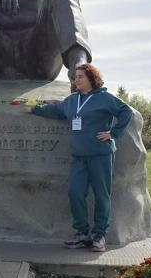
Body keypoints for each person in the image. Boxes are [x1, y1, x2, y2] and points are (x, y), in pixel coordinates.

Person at [29, 63, 132, 252]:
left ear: (92, 79)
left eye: (80, 77)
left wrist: (113, 133)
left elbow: (126, 111)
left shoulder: (105, 98)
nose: (76, 80)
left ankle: (99, 235)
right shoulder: (72, 100)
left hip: (100, 155)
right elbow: (55, 111)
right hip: (79, 157)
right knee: (75, 193)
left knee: (102, 196)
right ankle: (82, 234)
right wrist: (35, 108)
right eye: (75, 77)